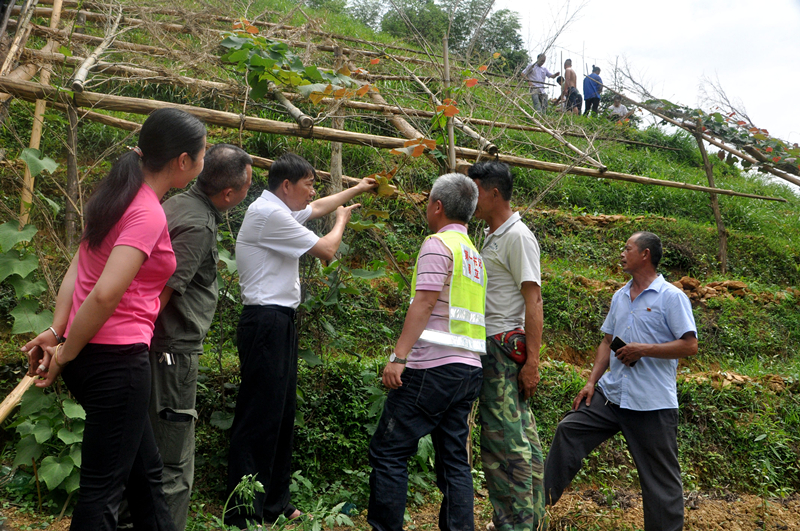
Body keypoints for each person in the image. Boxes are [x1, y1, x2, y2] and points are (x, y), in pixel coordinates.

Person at [21, 107, 207, 531]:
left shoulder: (116, 193)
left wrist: (58, 331)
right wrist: (64, 351)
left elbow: (79, 266)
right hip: (116, 362)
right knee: (103, 492)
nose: (203, 162)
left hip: (92, 357)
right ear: (182, 161)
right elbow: (105, 293)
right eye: (201, 155)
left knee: (146, 477)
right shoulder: (147, 212)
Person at [226, 153, 377, 529]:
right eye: (308, 184)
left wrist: (357, 189)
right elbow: (326, 250)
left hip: (278, 321)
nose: (312, 191)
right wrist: (341, 222)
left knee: (280, 414)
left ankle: (274, 503)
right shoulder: (268, 215)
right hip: (265, 321)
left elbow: (318, 206)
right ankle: (243, 512)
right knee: (259, 416)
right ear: (286, 186)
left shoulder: (278, 210)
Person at [543, 232, 698, 531]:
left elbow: (690, 346)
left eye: (628, 248)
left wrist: (644, 349)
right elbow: (607, 342)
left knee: (660, 481)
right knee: (569, 430)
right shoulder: (620, 296)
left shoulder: (671, 297)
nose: (622, 253)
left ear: (645, 255)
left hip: (651, 402)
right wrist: (591, 381)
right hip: (612, 395)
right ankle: (531, 510)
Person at [368, 173, 486, 531]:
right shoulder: (473, 255)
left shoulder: (438, 244)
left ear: (437, 206)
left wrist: (399, 357)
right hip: (468, 369)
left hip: (432, 367)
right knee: (454, 461)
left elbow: (425, 302)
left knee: (389, 451)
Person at [148, 144, 253, 531]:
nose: (248, 192)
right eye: (247, 186)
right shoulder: (198, 226)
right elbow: (163, 293)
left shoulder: (176, 204)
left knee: (148, 450)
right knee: (173, 462)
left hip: (159, 350)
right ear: (228, 193)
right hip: (172, 353)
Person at [467, 162, 547, 531]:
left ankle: (515, 524)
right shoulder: (494, 235)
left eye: (475, 192)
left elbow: (534, 300)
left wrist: (532, 363)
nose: (471, 201)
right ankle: (528, 521)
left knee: (503, 445)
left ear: (494, 193)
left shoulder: (517, 236)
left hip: (502, 348)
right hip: (495, 347)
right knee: (519, 438)